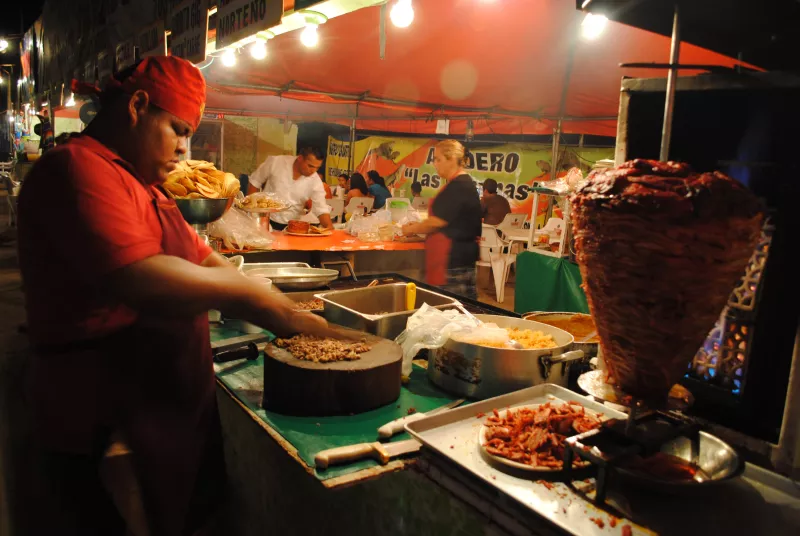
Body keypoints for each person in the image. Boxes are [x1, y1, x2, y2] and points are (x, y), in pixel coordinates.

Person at [17, 56, 337, 536]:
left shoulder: (147, 187)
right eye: (178, 130)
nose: (185, 150)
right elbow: (141, 276)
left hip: (164, 416)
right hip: (100, 423)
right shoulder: (78, 169)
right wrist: (266, 306)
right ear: (138, 106)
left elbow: (202, 257)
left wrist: (277, 301)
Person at [401, 140, 481, 299]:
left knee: (451, 315)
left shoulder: (458, 186)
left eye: (438, 159)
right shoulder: (461, 184)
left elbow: (435, 222)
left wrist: (409, 229)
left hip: (452, 264)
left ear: (451, 159)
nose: (434, 164)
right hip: (458, 260)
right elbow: (449, 221)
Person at [247, 147, 333, 230]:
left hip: (292, 227)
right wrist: (252, 214)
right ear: (300, 158)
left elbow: (321, 208)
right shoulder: (276, 162)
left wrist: (329, 227)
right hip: (265, 220)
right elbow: (255, 181)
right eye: (310, 166)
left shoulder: (315, 181)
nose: (313, 171)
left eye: (317, 168)